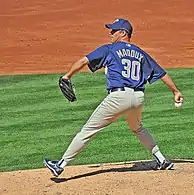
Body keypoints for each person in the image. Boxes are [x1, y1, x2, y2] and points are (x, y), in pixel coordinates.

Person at [44, 18, 183, 177]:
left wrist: (67, 76)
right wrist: (175, 91)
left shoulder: (110, 49)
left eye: (113, 31)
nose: (110, 33)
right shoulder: (140, 53)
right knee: (137, 128)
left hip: (118, 97)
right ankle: (161, 159)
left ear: (123, 33)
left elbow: (84, 61)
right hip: (138, 98)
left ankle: (60, 165)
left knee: (89, 129)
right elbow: (161, 73)